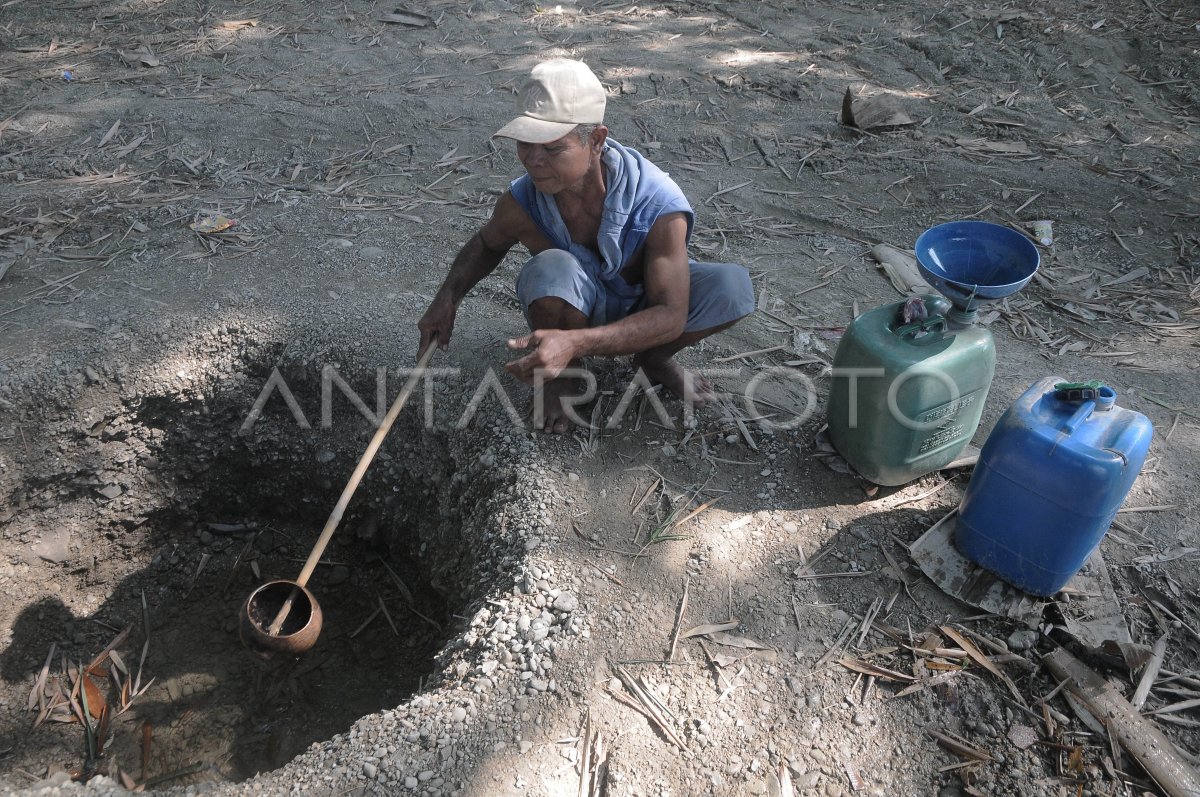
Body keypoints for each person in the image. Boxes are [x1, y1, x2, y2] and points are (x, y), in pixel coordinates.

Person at [417, 58, 755, 433]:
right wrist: (448, 298)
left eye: (551, 148)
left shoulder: (657, 203)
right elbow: (487, 244)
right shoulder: (522, 202)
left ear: (595, 141)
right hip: (574, 307)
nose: (533, 159)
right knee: (551, 269)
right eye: (525, 144)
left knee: (732, 288)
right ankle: (563, 376)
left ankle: (654, 359)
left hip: (643, 305)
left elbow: (671, 314)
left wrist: (575, 342)